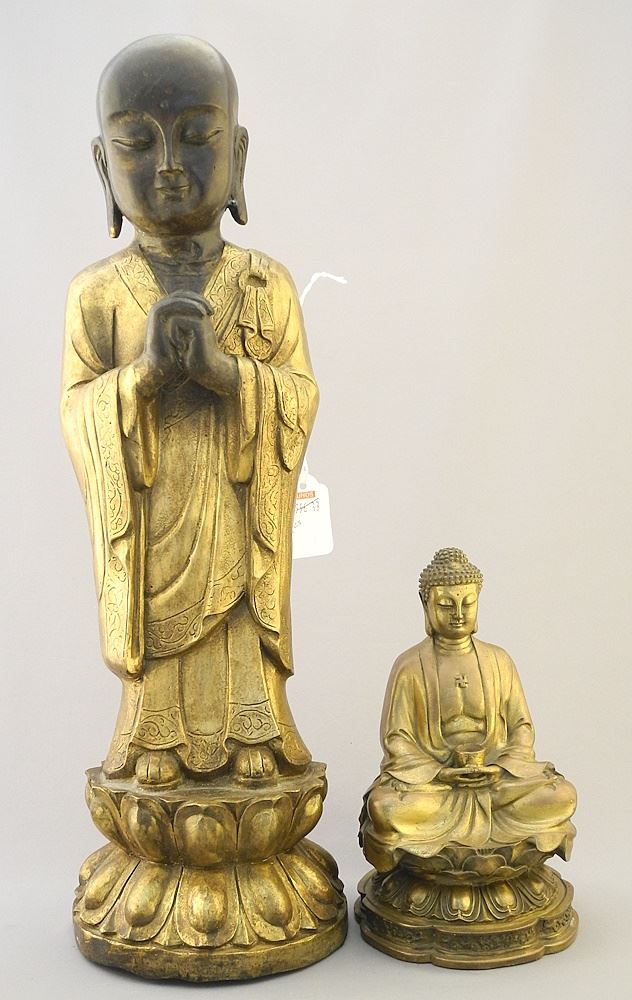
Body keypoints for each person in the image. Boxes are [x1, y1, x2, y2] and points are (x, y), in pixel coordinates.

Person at [61, 36, 318, 787]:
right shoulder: (97, 294)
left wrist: (227, 375)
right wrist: (140, 380)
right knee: (158, 665)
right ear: (103, 167)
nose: (170, 164)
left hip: (235, 512)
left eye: (199, 136)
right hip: (155, 525)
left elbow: (299, 396)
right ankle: (154, 740)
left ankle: (253, 734)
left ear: (238, 154)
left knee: (238, 635)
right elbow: (77, 411)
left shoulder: (267, 284)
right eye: (138, 144)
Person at [360, 548, 576, 870]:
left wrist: (500, 767)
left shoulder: (498, 661)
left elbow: (522, 728)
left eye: (468, 603)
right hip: (436, 787)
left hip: (497, 783)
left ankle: (454, 847)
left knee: (561, 795)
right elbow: (397, 739)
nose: (458, 613)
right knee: (386, 806)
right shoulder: (409, 666)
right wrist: (440, 772)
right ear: (425, 604)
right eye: (446, 605)